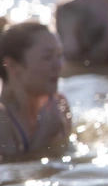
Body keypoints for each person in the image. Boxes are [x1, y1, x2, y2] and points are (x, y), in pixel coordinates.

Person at [0, 21, 71, 161]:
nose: (59, 66)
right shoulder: (2, 121)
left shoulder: (60, 104)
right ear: (13, 66)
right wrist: (42, 137)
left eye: (59, 56)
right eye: (47, 57)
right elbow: (12, 177)